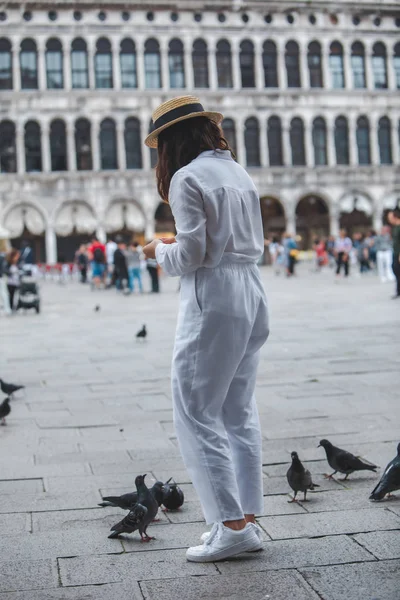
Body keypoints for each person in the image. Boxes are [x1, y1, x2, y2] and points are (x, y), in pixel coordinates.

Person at [142, 96, 269, 563]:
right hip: (251, 290)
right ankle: (246, 518)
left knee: (195, 410)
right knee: (237, 409)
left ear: (169, 143)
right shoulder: (236, 172)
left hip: (213, 296)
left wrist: (156, 250)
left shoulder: (186, 177)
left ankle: (229, 526)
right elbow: (223, 241)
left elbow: (192, 255)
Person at [388, 210, 400, 299]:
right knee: (395, 270)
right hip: (395, 252)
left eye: (390, 217)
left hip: (399, 253)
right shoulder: (394, 227)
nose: (389, 219)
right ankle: (398, 290)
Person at [0, 248, 11, 315]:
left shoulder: (2, 257)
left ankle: (7, 309)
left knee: (4, 293)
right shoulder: (2, 257)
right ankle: (7, 309)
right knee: (4, 293)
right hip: (1, 277)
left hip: (1, 277)